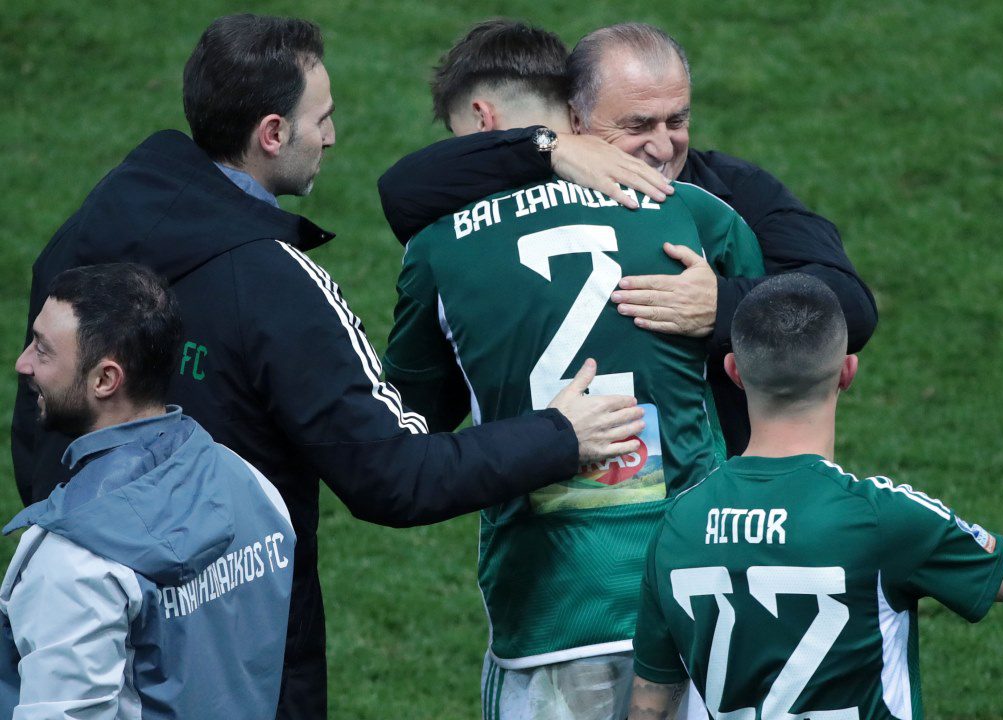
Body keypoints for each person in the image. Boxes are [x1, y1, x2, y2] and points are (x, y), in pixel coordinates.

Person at [9, 15, 644, 719]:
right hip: (239, 654)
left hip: (83, 626)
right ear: (272, 133)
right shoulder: (276, 287)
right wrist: (557, 434)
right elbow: (394, 476)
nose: (334, 136)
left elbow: (39, 420)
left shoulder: (82, 238)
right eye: (322, 119)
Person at [382, 20, 764, 720]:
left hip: (552, 611)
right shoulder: (698, 215)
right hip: (702, 595)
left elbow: (410, 425)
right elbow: (760, 390)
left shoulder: (437, 247)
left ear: (482, 122)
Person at [378, 21, 877, 456]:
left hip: (712, 499)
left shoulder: (731, 191)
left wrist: (723, 304)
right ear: (576, 118)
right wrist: (545, 148)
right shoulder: (516, 206)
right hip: (559, 496)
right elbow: (402, 189)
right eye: (638, 125)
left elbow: (851, 305)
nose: (662, 146)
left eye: (677, 120)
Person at [628, 274, 1003, 720]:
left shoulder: (678, 523)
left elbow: (650, 702)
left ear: (733, 371)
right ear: (847, 372)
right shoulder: (883, 519)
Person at [0, 264, 295, 718]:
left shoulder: (72, 560)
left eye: (42, 349)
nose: (23, 363)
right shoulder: (252, 485)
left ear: (105, 380)